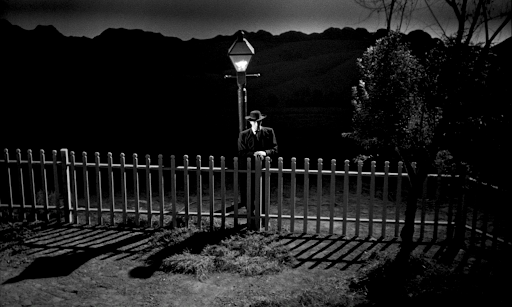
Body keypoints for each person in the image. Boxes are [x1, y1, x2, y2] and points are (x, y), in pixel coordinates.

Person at [238, 110, 278, 228]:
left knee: (265, 193)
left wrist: (265, 152)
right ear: (250, 122)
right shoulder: (244, 134)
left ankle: (265, 219)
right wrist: (254, 153)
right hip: (249, 170)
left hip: (264, 169)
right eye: (255, 122)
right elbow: (241, 152)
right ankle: (251, 218)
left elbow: (275, 149)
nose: (258, 124)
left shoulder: (269, 132)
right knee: (248, 194)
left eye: (259, 122)